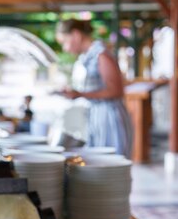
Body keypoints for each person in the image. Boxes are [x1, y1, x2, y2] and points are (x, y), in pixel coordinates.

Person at [56, 18, 132, 157]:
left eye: (65, 42)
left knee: (109, 165)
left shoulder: (101, 55)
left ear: (76, 35)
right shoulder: (86, 57)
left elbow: (116, 91)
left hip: (109, 119)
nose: (65, 48)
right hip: (95, 118)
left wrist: (80, 94)